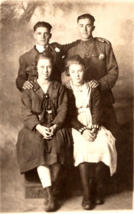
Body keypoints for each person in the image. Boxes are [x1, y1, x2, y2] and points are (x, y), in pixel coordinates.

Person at [16, 52, 72, 212]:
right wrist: (40, 127)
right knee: (37, 144)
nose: (45, 70)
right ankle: (49, 194)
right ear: (36, 68)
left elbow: (63, 110)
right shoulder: (29, 89)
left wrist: (54, 126)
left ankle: (51, 189)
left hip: (55, 126)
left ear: (52, 68)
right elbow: (26, 113)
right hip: (35, 127)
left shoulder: (59, 88)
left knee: (58, 142)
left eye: (48, 67)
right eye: (42, 67)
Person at [65, 55, 117, 210]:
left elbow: (97, 110)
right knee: (83, 149)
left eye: (80, 71)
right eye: (73, 71)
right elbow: (68, 115)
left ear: (84, 71)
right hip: (76, 125)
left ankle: (96, 190)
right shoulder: (65, 89)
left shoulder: (92, 87)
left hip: (93, 123)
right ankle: (87, 194)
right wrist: (83, 130)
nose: (77, 75)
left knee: (103, 144)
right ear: (69, 72)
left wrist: (94, 127)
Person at [62, 13, 119, 137]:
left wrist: (100, 83)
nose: (84, 29)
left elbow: (113, 71)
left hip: (103, 99)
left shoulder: (104, 46)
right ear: (77, 27)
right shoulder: (72, 49)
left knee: (112, 135)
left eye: (88, 25)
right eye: (81, 26)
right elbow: (67, 73)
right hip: (80, 103)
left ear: (93, 27)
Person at [16, 21, 109, 92]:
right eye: (39, 33)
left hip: (58, 92)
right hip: (37, 93)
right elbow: (20, 78)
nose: (42, 37)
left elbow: (74, 43)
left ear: (50, 35)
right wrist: (23, 83)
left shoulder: (56, 48)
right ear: (34, 35)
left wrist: (94, 39)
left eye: (46, 33)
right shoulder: (25, 57)